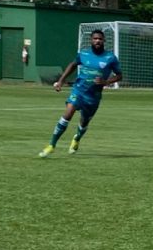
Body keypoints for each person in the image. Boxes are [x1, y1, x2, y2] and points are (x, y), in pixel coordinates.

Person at [38, 29, 122, 157]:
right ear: (91, 40)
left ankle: (77, 138)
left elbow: (119, 76)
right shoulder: (83, 54)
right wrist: (61, 81)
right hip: (78, 90)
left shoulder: (110, 57)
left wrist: (105, 81)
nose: (97, 41)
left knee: (84, 122)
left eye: (100, 39)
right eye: (95, 38)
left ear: (104, 40)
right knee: (68, 113)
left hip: (93, 96)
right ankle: (51, 145)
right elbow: (72, 65)